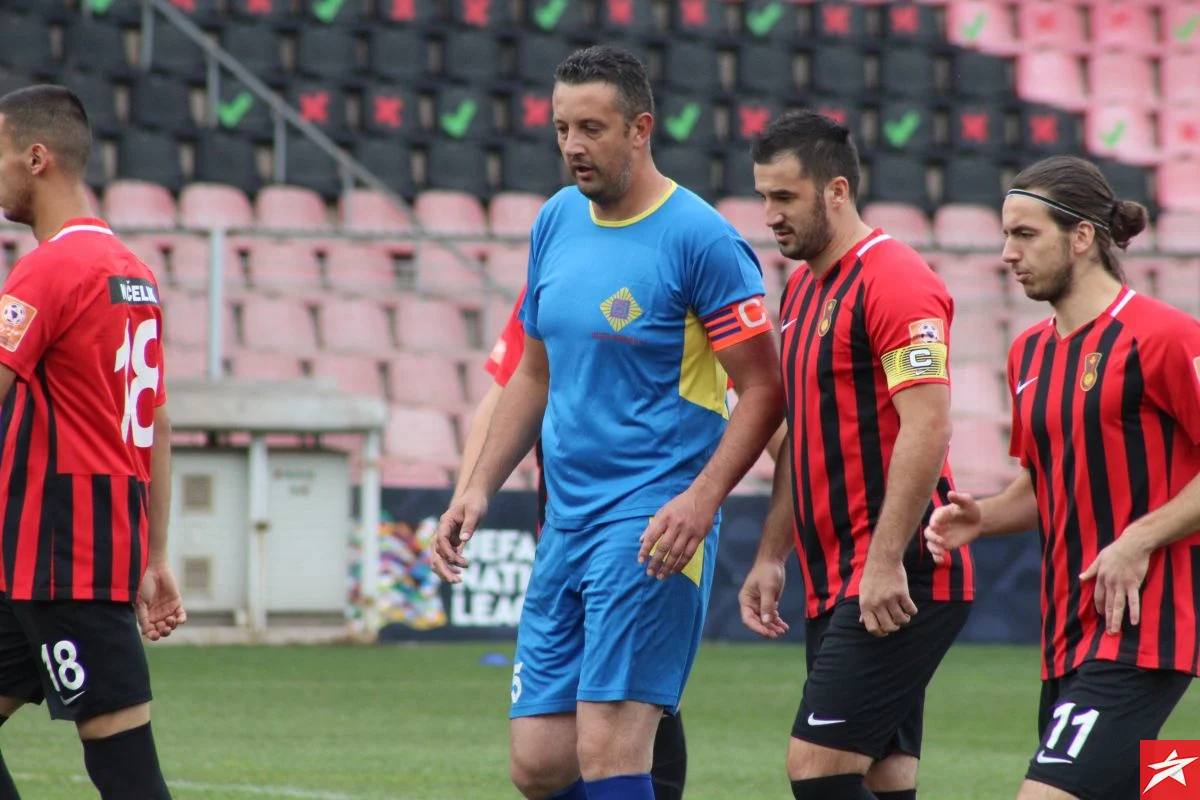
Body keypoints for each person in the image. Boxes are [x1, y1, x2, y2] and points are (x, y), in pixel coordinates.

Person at [432, 45, 784, 800]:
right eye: (562, 128)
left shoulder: (702, 239)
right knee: (538, 764)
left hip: (652, 523)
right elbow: (532, 373)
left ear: (640, 128)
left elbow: (764, 390)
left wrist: (701, 501)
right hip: (566, 523)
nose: (573, 146)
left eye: (591, 128)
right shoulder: (556, 220)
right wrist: (477, 487)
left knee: (609, 750)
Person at [925, 155, 1199, 800]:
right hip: (1067, 628)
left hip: (1144, 625)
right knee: (1142, 785)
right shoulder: (1029, 353)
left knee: (1049, 793)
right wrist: (984, 517)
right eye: (1004, 235)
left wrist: (1138, 540)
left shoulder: (1164, 336)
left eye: (1025, 235)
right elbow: (1042, 486)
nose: (1006, 253)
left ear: (1081, 237)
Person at [739, 110, 973, 800]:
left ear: (836, 191)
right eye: (763, 197)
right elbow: (804, 436)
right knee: (884, 773)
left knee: (816, 768)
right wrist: (772, 553)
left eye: (786, 197)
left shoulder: (896, 280)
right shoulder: (802, 287)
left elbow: (928, 426)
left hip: (900, 571)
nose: (770, 215)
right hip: (839, 573)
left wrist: (884, 559)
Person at [0, 85, 185, 799]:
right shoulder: (134, 273)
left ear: (36, 159)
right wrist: (155, 554)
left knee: (125, 766)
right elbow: (155, 423)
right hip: (35, 560)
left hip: (63, 554)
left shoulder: (48, 269)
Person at [445, 286, 689, 800]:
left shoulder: (677, 269)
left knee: (624, 734)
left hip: (639, 539)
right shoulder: (554, 272)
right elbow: (507, 390)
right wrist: (468, 495)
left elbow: (744, 390)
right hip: (561, 541)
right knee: (539, 763)